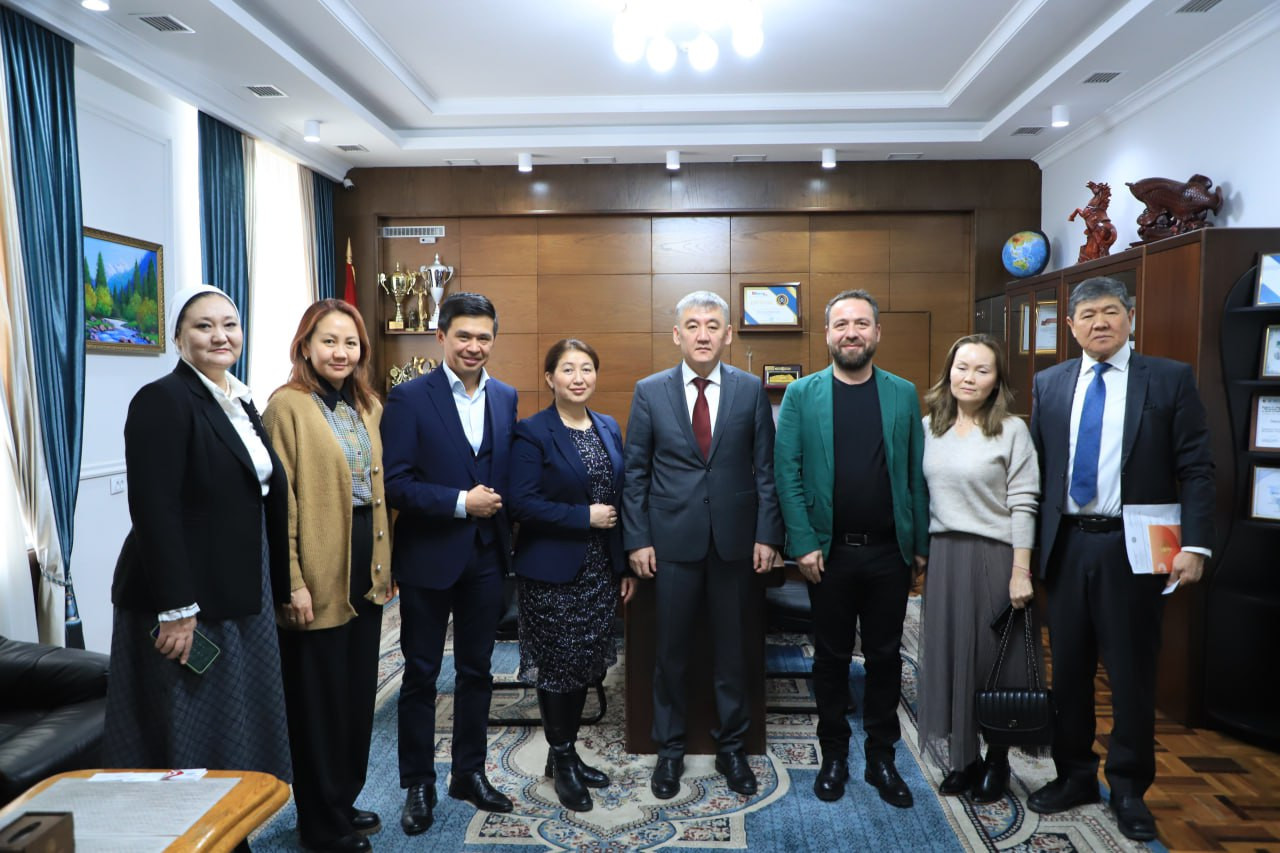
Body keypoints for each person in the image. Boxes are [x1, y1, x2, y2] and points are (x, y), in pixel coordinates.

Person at [1027, 276, 1214, 841]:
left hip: (1134, 546)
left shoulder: (1169, 378)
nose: (1099, 323)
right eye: (1087, 315)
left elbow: (1197, 467)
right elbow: (1038, 468)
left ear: (1131, 317)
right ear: (1070, 326)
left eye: (1110, 311)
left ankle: (1129, 788)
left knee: (1131, 672)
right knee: (1069, 669)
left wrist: (1196, 545)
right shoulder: (1050, 383)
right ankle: (1075, 775)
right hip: (1066, 544)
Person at [103, 284, 292, 796]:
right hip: (187, 594)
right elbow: (154, 509)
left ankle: (233, 817)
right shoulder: (163, 399)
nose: (220, 336)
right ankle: (189, 822)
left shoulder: (238, 399)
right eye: (203, 326)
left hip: (238, 582)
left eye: (229, 325)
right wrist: (177, 608)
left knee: (236, 714)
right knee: (194, 717)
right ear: (178, 338)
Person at [622, 290, 783, 800]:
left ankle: (732, 748)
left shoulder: (749, 390)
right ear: (677, 334)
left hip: (735, 543)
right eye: (692, 325)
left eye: (713, 325)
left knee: (732, 652)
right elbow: (635, 474)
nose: (703, 334)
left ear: (728, 334)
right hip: (670, 543)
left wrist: (767, 534)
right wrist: (637, 539)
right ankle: (669, 750)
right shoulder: (649, 391)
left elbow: (766, 470)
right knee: (670, 653)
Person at [773, 289, 929, 809]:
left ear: (877, 332)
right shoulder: (802, 395)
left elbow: (914, 475)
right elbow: (787, 473)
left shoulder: (903, 393)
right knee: (832, 658)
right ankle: (834, 756)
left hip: (889, 553)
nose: (851, 332)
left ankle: (882, 758)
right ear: (827, 334)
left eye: (861, 323)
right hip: (828, 555)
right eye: (841, 324)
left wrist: (919, 544)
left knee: (885, 658)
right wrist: (802, 544)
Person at [381, 292, 518, 836]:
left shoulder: (505, 397)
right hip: (428, 557)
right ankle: (418, 782)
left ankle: (469, 772)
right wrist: (462, 502)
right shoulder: (409, 398)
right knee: (420, 674)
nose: (473, 346)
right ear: (441, 337)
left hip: (486, 557)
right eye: (463, 335)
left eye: (484, 337)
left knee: (476, 671)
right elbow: (397, 484)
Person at [262, 299, 392, 853]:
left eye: (351, 343)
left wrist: (385, 565)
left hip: (365, 563)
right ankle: (319, 822)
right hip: (316, 570)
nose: (341, 352)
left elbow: (378, 491)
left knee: (357, 694)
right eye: (329, 341)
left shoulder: (367, 405)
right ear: (306, 346)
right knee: (317, 700)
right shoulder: (285, 407)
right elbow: (281, 505)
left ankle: (343, 799)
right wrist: (291, 580)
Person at [508, 339, 636, 812]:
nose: (578, 377)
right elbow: (521, 503)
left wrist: (622, 565)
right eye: (567, 369)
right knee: (558, 665)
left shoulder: (607, 426)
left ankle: (564, 752)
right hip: (551, 571)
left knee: (583, 663)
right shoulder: (532, 432)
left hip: (599, 570)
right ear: (550, 378)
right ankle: (562, 759)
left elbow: (618, 500)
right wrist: (583, 517)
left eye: (586, 368)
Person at [916, 334, 1040, 804]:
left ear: (996, 381)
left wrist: (1021, 570)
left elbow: (1024, 501)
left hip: (996, 555)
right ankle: (962, 759)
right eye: (962, 367)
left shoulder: (1011, 431)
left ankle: (997, 759)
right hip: (945, 556)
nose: (969, 377)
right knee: (950, 656)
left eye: (981, 370)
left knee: (996, 661)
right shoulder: (929, 427)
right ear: (948, 372)